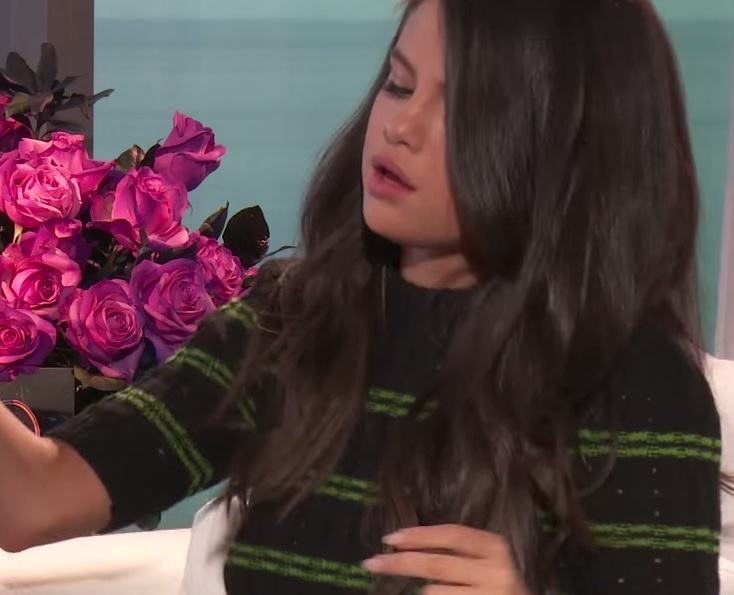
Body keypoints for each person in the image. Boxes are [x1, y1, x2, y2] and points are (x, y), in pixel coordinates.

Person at [0, 0, 723, 593]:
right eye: (400, 85)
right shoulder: (294, 323)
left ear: (563, 149)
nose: (400, 128)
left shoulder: (637, 385)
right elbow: (34, 498)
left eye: (463, 113)